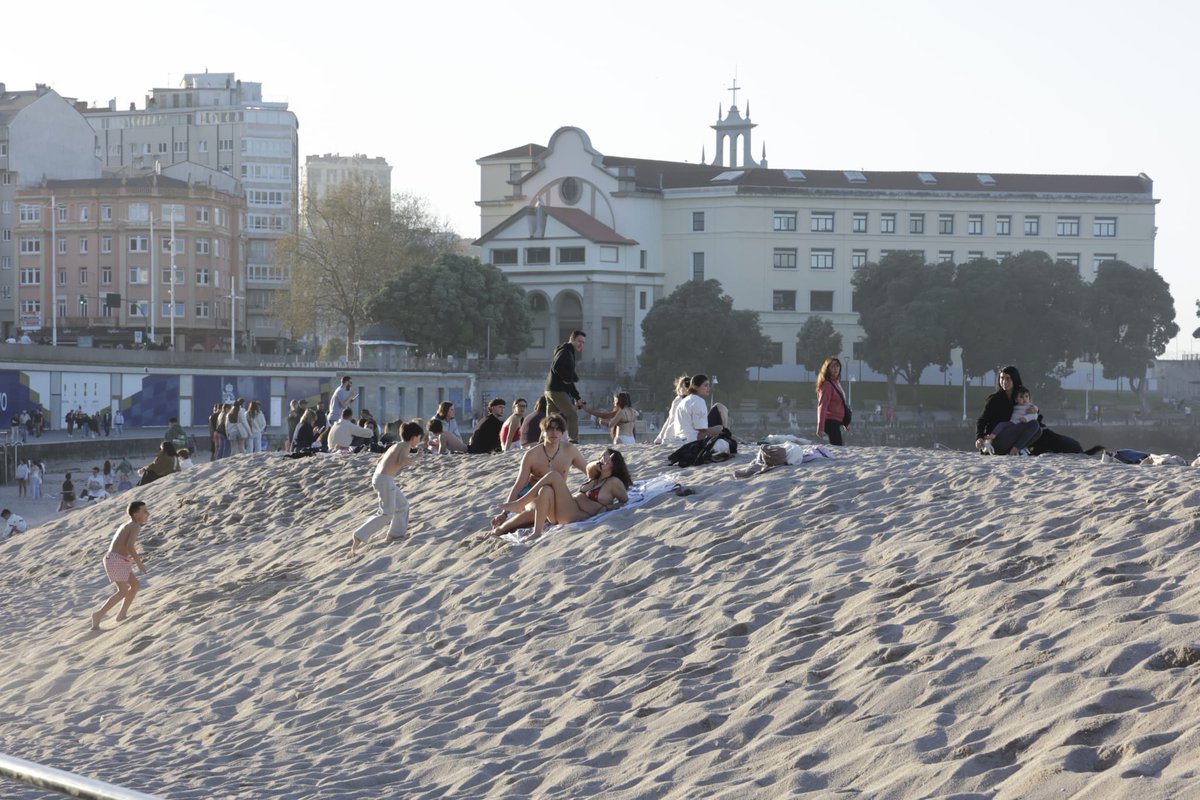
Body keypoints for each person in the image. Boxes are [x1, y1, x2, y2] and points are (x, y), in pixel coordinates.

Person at [491, 447, 633, 541]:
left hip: (576, 514)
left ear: (615, 464)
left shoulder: (613, 482)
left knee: (554, 476)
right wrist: (600, 462)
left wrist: (607, 507)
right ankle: (537, 532)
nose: (603, 460)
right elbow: (589, 467)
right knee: (545, 490)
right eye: (601, 457)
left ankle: (520, 503)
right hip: (563, 512)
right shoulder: (595, 476)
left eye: (607, 459)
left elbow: (625, 501)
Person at [491, 413, 589, 530]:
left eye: (558, 429)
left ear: (562, 433)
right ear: (543, 432)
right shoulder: (532, 455)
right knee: (536, 511)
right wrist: (504, 513)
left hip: (556, 494)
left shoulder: (570, 451)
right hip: (531, 494)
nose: (554, 432)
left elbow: (589, 471)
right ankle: (499, 530)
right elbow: (519, 484)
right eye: (550, 429)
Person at [348, 421, 425, 557]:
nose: (419, 440)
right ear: (413, 437)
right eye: (419, 438)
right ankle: (359, 535)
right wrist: (416, 458)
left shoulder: (396, 445)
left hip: (381, 478)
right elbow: (402, 461)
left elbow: (380, 460)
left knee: (402, 505)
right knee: (386, 514)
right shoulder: (405, 446)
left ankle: (396, 535)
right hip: (384, 480)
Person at [90, 501, 150, 630]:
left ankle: (122, 614)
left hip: (118, 559)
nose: (147, 513)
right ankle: (98, 614)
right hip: (115, 559)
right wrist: (139, 564)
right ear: (136, 514)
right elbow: (130, 546)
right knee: (122, 590)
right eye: (144, 511)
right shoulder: (135, 526)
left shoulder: (129, 524)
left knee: (135, 585)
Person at [974, 367, 1045, 455]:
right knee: (1034, 424)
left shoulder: (1020, 397)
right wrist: (979, 437)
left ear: (1014, 379)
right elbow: (982, 420)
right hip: (996, 438)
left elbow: (1030, 411)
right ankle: (1014, 451)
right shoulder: (994, 399)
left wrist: (1035, 410)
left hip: (1011, 437)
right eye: (1002, 378)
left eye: (1008, 378)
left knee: (1038, 431)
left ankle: (1017, 449)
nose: (1004, 381)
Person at [544, 330, 586, 442]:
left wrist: (577, 397)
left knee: (551, 419)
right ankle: (574, 440)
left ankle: (542, 441)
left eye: (583, 342)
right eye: (579, 341)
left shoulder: (568, 351)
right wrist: (566, 378)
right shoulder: (565, 351)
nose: (581, 344)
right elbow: (557, 366)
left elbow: (569, 379)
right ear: (571, 339)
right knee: (572, 415)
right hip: (557, 390)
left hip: (550, 389)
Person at [664, 374, 723, 444]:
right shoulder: (698, 401)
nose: (708, 388)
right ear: (696, 387)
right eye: (705, 385)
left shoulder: (685, 400)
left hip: (680, 437)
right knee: (720, 428)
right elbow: (701, 428)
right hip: (691, 438)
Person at [816, 357, 851, 446]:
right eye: (833, 366)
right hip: (830, 422)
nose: (836, 369)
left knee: (837, 446)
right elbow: (822, 406)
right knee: (838, 446)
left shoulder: (836, 383)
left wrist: (845, 422)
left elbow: (840, 404)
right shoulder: (827, 385)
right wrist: (820, 427)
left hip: (836, 421)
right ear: (827, 369)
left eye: (837, 366)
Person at [654, 375, 692, 445]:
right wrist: (660, 437)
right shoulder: (678, 400)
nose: (685, 389)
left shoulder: (690, 400)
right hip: (673, 436)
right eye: (683, 387)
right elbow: (670, 419)